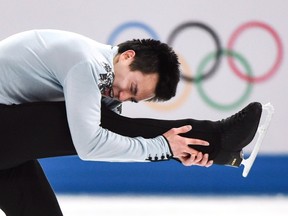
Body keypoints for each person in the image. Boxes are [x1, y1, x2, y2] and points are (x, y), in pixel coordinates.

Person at [0, 29, 262, 216]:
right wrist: (166, 149)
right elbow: (90, 144)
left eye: (133, 97)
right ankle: (216, 138)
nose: (122, 95)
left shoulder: (101, 75)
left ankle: (212, 142)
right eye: (132, 86)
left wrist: (176, 149)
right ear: (127, 56)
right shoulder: (86, 63)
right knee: (92, 122)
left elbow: (118, 138)